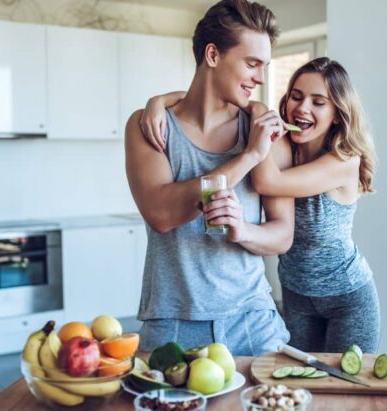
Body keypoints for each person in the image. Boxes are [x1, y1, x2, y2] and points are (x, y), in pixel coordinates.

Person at [140, 57, 380, 354]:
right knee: (303, 388)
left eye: (318, 102)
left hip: (346, 296)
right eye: (296, 96)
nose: (302, 108)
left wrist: (257, 111)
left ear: (337, 114)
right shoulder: (284, 145)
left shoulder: (344, 161)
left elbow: (267, 182)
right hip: (295, 295)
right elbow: (206, 95)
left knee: (347, 390)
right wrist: (159, 101)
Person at [125, 0, 295, 356]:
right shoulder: (151, 126)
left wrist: (243, 231)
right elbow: (161, 214)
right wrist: (248, 156)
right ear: (213, 55)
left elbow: (282, 236)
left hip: (254, 323)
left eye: (264, 66)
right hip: (172, 324)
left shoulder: (263, 128)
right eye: (251, 63)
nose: (260, 78)